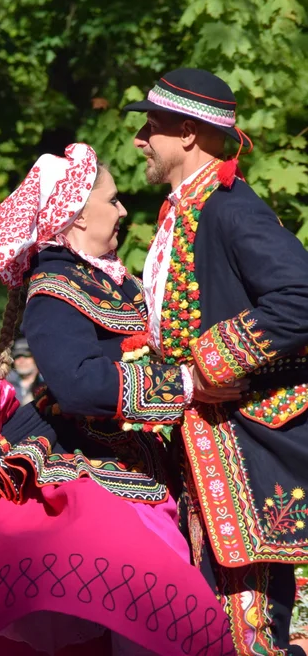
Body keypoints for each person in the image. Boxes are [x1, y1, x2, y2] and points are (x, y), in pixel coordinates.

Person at [0, 143, 239, 654]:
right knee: (147, 609)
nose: (124, 210)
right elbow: (78, 382)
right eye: (113, 200)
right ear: (75, 217)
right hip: (89, 469)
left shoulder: (111, 277)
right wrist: (184, 385)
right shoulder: (55, 281)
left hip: (140, 464)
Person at [125, 67, 308, 655]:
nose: (139, 139)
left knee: (258, 622)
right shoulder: (185, 210)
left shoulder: (229, 209)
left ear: (186, 134)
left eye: (150, 125)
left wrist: (214, 365)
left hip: (256, 448)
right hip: (208, 449)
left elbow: (301, 296)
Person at [5, 338, 41, 405]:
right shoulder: (5, 386)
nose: (21, 361)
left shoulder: (47, 384)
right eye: (17, 356)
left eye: (26, 355)